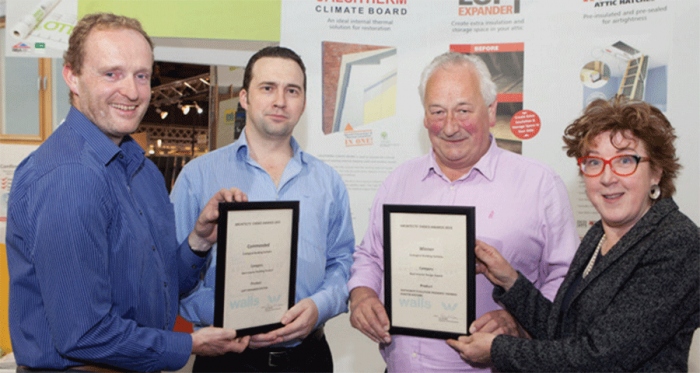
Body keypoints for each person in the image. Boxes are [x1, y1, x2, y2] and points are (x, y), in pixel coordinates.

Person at [5, 13, 250, 371]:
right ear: (72, 76)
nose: (132, 92)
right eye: (112, 74)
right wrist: (190, 344)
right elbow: (84, 333)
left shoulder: (142, 171)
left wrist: (199, 240)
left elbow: (161, 287)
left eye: (141, 76)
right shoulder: (68, 177)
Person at [347, 51, 580, 371]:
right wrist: (361, 295)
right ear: (425, 116)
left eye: (463, 110)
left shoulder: (540, 185)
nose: (450, 126)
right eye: (437, 112)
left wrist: (518, 320)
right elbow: (371, 255)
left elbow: (566, 277)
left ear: (491, 110)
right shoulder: (399, 181)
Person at [447, 96, 700, 371]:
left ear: (656, 173)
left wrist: (497, 349)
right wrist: (510, 281)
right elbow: (562, 331)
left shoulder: (677, 242)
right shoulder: (599, 236)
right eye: (594, 162)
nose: (607, 177)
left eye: (625, 160)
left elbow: (600, 357)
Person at [171, 46, 355, 372]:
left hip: (309, 359)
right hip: (226, 361)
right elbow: (171, 274)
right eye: (267, 88)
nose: (280, 100)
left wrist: (319, 305)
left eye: (292, 90)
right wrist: (230, 314)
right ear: (244, 97)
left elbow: (342, 264)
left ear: (304, 102)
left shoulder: (329, 182)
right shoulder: (197, 177)